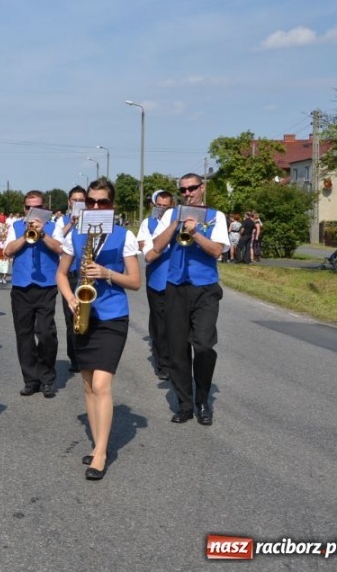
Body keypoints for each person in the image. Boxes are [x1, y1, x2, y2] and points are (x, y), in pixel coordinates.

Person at [56, 179, 141, 480]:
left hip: (113, 315)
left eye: (102, 203)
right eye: (90, 202)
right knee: (88, 385)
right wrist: (69, 299)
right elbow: (62, 273)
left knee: (103, 385)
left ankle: (102, 452)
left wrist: (106, 273)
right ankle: (96, 444)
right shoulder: (76, 235)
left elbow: (134, 281)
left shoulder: (123, 236)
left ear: (111, 206)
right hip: (84, 313)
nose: (94, 207)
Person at [148, 173, 229, 426]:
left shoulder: (216, 216)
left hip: (205, 288)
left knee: (203, 345)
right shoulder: (170, 215)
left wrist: (196, 233)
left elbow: (217, 250)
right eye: (183, 190)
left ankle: (203, 401)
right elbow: (156, 246)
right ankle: (184, 404)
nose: (188, 193)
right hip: (175, 288)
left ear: (202, 188)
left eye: (192, 188)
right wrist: (176, 224)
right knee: (178, 349)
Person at [4, 190, 62, 398]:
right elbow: (8, 251)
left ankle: (47, 377)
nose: (31, 211)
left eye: (36, 207)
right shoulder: (16, 226)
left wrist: (43, 233)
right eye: (28, 207)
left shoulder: (54, 226)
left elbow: (60, 248)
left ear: (43, 208)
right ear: (24, 208)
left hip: (46, 286)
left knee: (46, 333)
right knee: (24, 335)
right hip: (21, 286)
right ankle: (30, 380)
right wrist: (24, 235)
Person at [136, 190, 174, 381]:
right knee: (160, 323)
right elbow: (146, 249)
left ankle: (176, 358)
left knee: (176, 322)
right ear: (154, 205)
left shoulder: (178, 222)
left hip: (176, 279)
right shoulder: (147, 223)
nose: (163, 209)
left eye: (167, 206)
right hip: (157, 278)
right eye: (160, 205)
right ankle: (164, 364)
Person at [54, 186, 88, 372]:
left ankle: (88, 354)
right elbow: (59, 244)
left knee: (89, 315)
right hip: (70, 275)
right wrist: (71, 224)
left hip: (87, 275)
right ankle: (74, 357)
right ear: (69, 202)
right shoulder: (62, 220)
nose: (77, 203)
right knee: (71, 318)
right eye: (74, 200)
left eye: (81, 201)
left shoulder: (92, 220)